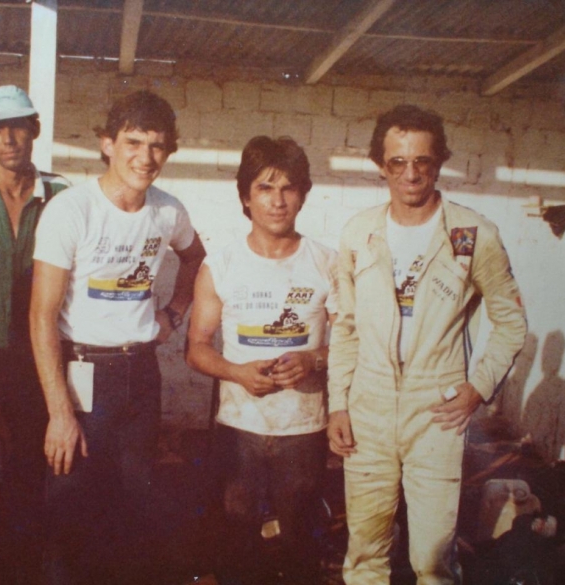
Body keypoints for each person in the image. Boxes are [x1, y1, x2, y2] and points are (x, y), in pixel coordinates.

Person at [327, 104, 528, 584]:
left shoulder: (472, 233)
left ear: (440, 162)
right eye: (397, 162)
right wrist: (338, 404)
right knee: (365, 552)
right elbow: (346, 326)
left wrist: (477, 388)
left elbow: (511, 322)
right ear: (381, 165)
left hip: (436, 409)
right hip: (369, 406)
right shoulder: (361, 233)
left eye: (423, 161)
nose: (410, 173)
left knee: (432, 557)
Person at [29, 90, 206, 584]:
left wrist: (173, 311)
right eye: (133, 142)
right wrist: (60, 412)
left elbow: (195, 258)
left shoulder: (168, 211)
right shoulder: (72, 209)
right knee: (69, 501)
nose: (145, 158)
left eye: (157, 146)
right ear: (107, 144)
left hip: (139, 372)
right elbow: (40, 316)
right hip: (82, 373)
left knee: (132, 500)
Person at [186, 136, 338, 584]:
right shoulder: (222, 265)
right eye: (265, 188)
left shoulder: (327, 263)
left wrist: (313, 360)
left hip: (303, 430)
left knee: (297, 548)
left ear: (303, 195)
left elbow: (353, 343)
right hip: (239, 432)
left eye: (289, 188)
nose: (277, 201)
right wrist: (236, 372)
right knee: (237, 546)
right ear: (245, 197)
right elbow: (196, 348)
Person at [0, 85, 70, 585]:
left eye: (18, 125)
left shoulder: (63, 196)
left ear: (35, 129)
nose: (9, 137)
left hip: (40, 365)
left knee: (31, 480)